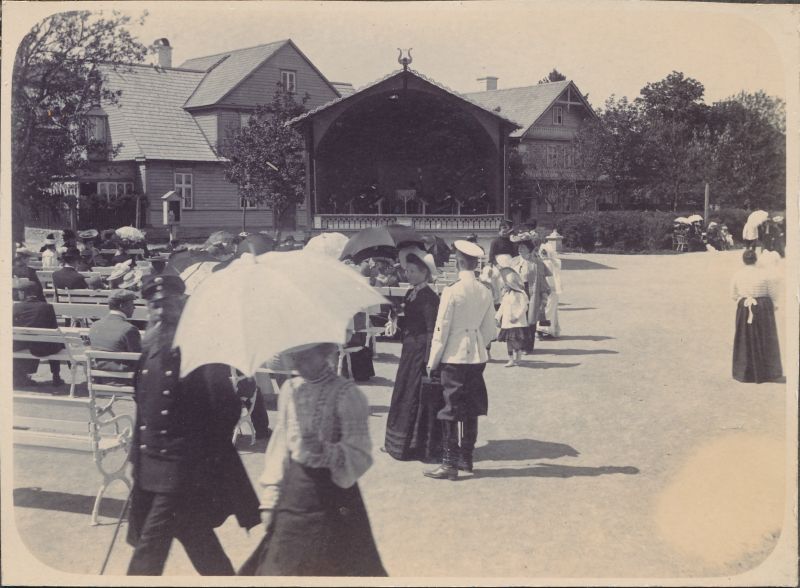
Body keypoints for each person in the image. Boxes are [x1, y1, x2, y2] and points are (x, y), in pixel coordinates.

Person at [126, 274, 260, 576]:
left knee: (148, 553)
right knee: (200, 542)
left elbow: (226, 409)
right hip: (151, 469)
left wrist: (198, 455)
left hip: (179, 471)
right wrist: (136, 461)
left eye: (169, 304)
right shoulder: (149, 350)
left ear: (182, 305)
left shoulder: (199, 351)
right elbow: (142, 410)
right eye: (155, 305)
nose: (162, 312)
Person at [245, 342, 386, 576]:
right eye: (295, 358)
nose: (299, 364)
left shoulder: (346, 394)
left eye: (306, 357)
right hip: (295, 494)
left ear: (326, 353)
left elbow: (360, 454)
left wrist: (325, 450)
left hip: (333, 497)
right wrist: (270, 499)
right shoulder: (290, 390)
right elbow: (280, 448)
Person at [425, 240, 496, 479]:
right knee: (472, 407)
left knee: (450, 409)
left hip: (453, 356)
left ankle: (449, 464)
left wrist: (433, 360)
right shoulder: (485, 290)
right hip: (476, 356)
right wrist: (478, 343)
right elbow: (490, 330)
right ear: (475, 264)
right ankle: (467, 458)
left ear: (458, 262)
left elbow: (441, 328)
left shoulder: (452, 291)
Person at [384, 249, 440, 462]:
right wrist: (397, 314)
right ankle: (396, 444)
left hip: (419, 354)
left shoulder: (429, 298)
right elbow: (410, 322)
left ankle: (411, 446)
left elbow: (431, 330)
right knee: (402, 393)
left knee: (414, 397)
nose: (408, 274)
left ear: (425, 273)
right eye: (407, 270)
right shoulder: (411, 292)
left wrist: (428, 360)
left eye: (413, 271)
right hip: (408, 351)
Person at [730, 250, 782, 384]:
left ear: (743, 260)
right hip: (763, 307)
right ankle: (768, 372)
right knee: (764, 337)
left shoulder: (737, 275)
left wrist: (742, 300)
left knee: (745, 338)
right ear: (756, 260)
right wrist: (773, 305)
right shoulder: (765, 274)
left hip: (745, 306)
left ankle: (745, 373)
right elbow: (773, 293)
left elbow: (733, 294)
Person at [12, 281, 64, 387]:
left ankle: (19, 377)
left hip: (22, 345)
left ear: (23, 293)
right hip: (42, 347)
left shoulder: (16, 307)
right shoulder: (47, 307)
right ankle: (56, 376)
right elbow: (54, 327)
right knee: (54, 340)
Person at [510, 232, 550, 353]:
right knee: (519, 317)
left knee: (530, 319)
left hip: (531, 291)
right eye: (519, 247)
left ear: (529, 249)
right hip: (518, 292)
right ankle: (520, 344)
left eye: (523, 247)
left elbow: (542, 279)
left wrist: (543, 295)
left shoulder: (536, 263)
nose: (520, 249)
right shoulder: (514, 261)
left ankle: (528, 346)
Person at [88, 289, 142, 371]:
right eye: (132, 304)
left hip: (99, 378)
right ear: (122, 306)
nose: (134, 307)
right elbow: (138, 358)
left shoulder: (95, 325)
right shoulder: (129, 329)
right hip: (123, 379)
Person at [495, 267, 530, 368]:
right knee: (509, 341)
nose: (504, 286)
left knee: (516, 341)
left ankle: (518, 355)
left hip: (517, 322)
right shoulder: (506, 295)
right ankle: (511, 359)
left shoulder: (520, 294)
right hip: (507, 323)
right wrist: (497, 317)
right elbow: (502, 307)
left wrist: (517, 317)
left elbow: (524, 307)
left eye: (506, 284)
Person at [537, 240, 563, 339]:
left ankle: (548, 330)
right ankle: (542, 330)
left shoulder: (551, 262)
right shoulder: (543, 263)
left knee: (550, 310)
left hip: (551, 289)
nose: (543, 254)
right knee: (546, 310)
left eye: (545, 252)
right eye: (542, 252)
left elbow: (555, 277)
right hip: (546, 289)